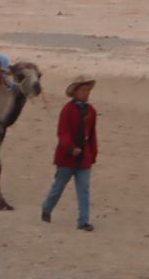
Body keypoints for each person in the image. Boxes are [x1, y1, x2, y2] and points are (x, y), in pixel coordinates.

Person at [41, 76, 98, 231]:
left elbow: (92, 135)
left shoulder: (91, 111)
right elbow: (62, 132)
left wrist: (93, 154)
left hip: (84, 157)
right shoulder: (67, 109)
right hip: (66, 157)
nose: (86, 93)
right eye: (84, 90)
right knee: (58, 187)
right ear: (75, 92)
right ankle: (46, 209)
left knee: (84, 190)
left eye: (88, 90)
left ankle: (83, 221)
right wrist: (71, 148)